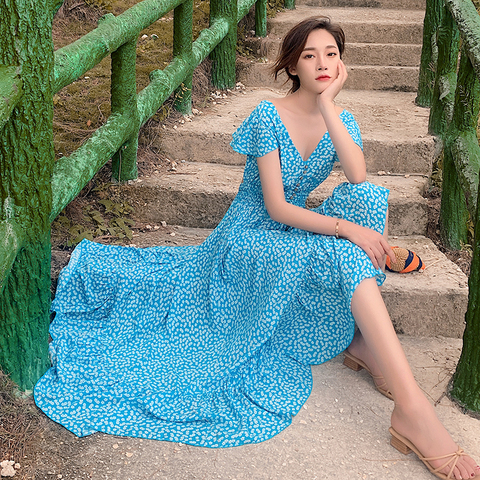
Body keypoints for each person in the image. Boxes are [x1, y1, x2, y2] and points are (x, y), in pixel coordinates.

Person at [34, 16, 479, 480]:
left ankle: (365, 342)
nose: (322, 64)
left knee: (367, 196)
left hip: (292, 230)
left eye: (331, 54)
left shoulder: (340, 119)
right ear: (292, 65)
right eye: (309, 56)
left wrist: (329, 105)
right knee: (348, 243)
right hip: (249, 234)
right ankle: (412, 408)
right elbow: (278, 209)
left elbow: (358, 174)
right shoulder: (269, 115)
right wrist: (346, 229)